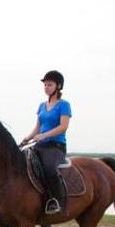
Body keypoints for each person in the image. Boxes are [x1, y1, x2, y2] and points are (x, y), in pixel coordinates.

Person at [21, 70, 72, 215]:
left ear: (58, 86)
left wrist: (44, 135)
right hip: (40, 145)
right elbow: (37, 127)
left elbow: (63, 126)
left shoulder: (64, 105)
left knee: (49, 168)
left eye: (49, 84)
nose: (46, 87)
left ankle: (56, 200)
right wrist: (28, 138)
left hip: (56, 146)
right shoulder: (42, 106)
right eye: (45, 85)